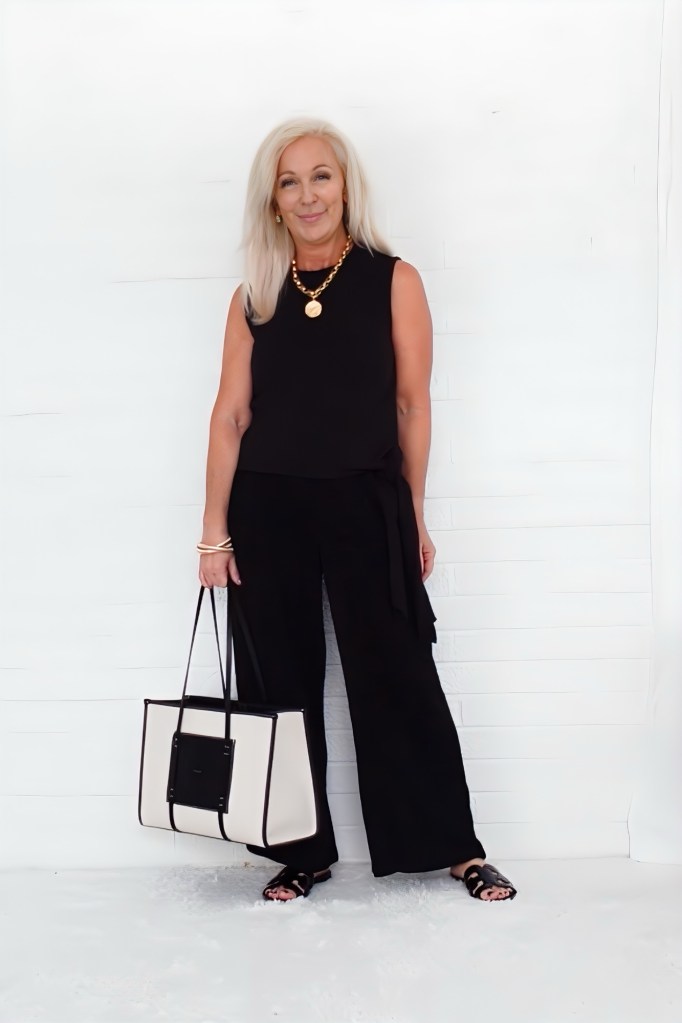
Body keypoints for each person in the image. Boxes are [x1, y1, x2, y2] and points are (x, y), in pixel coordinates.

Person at [198, 116, 518, 905]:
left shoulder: (393, 278)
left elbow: (412, 405)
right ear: (273, 202)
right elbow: (229, 414)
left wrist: (412, 512)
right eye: (289, 181)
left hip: (365, 499)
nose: (308, 194)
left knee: (399, 669)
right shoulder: (255, 295)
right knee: (282, 681)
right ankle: (300, 852)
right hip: (268, 507)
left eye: (321, 176)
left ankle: (453, 846)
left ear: (346, 186)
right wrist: (214, 530)